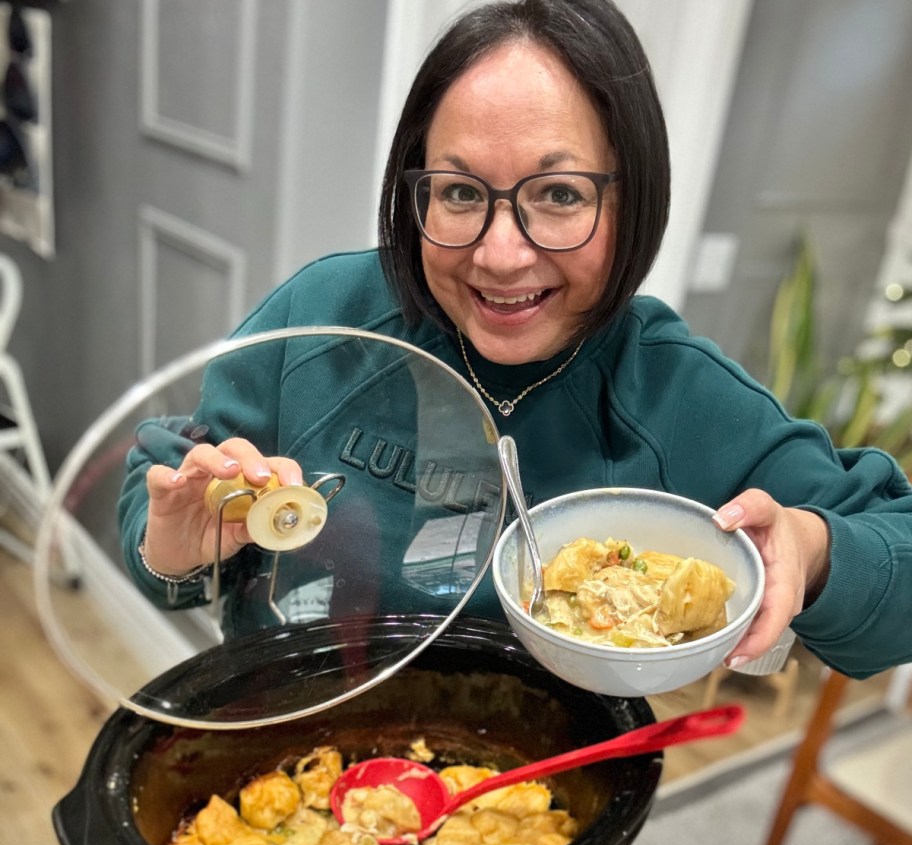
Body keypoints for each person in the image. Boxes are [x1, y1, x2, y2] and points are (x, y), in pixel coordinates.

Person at [119, 0, 912, 679]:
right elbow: (167, 494)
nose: (501, 255)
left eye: (560, 194)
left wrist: (813, 549)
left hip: (544, 817)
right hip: (282, 774)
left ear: (633, 200)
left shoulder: (682, 397)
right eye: (461, 192)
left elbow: (895, 560)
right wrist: (178, 550)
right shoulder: (324, 318)